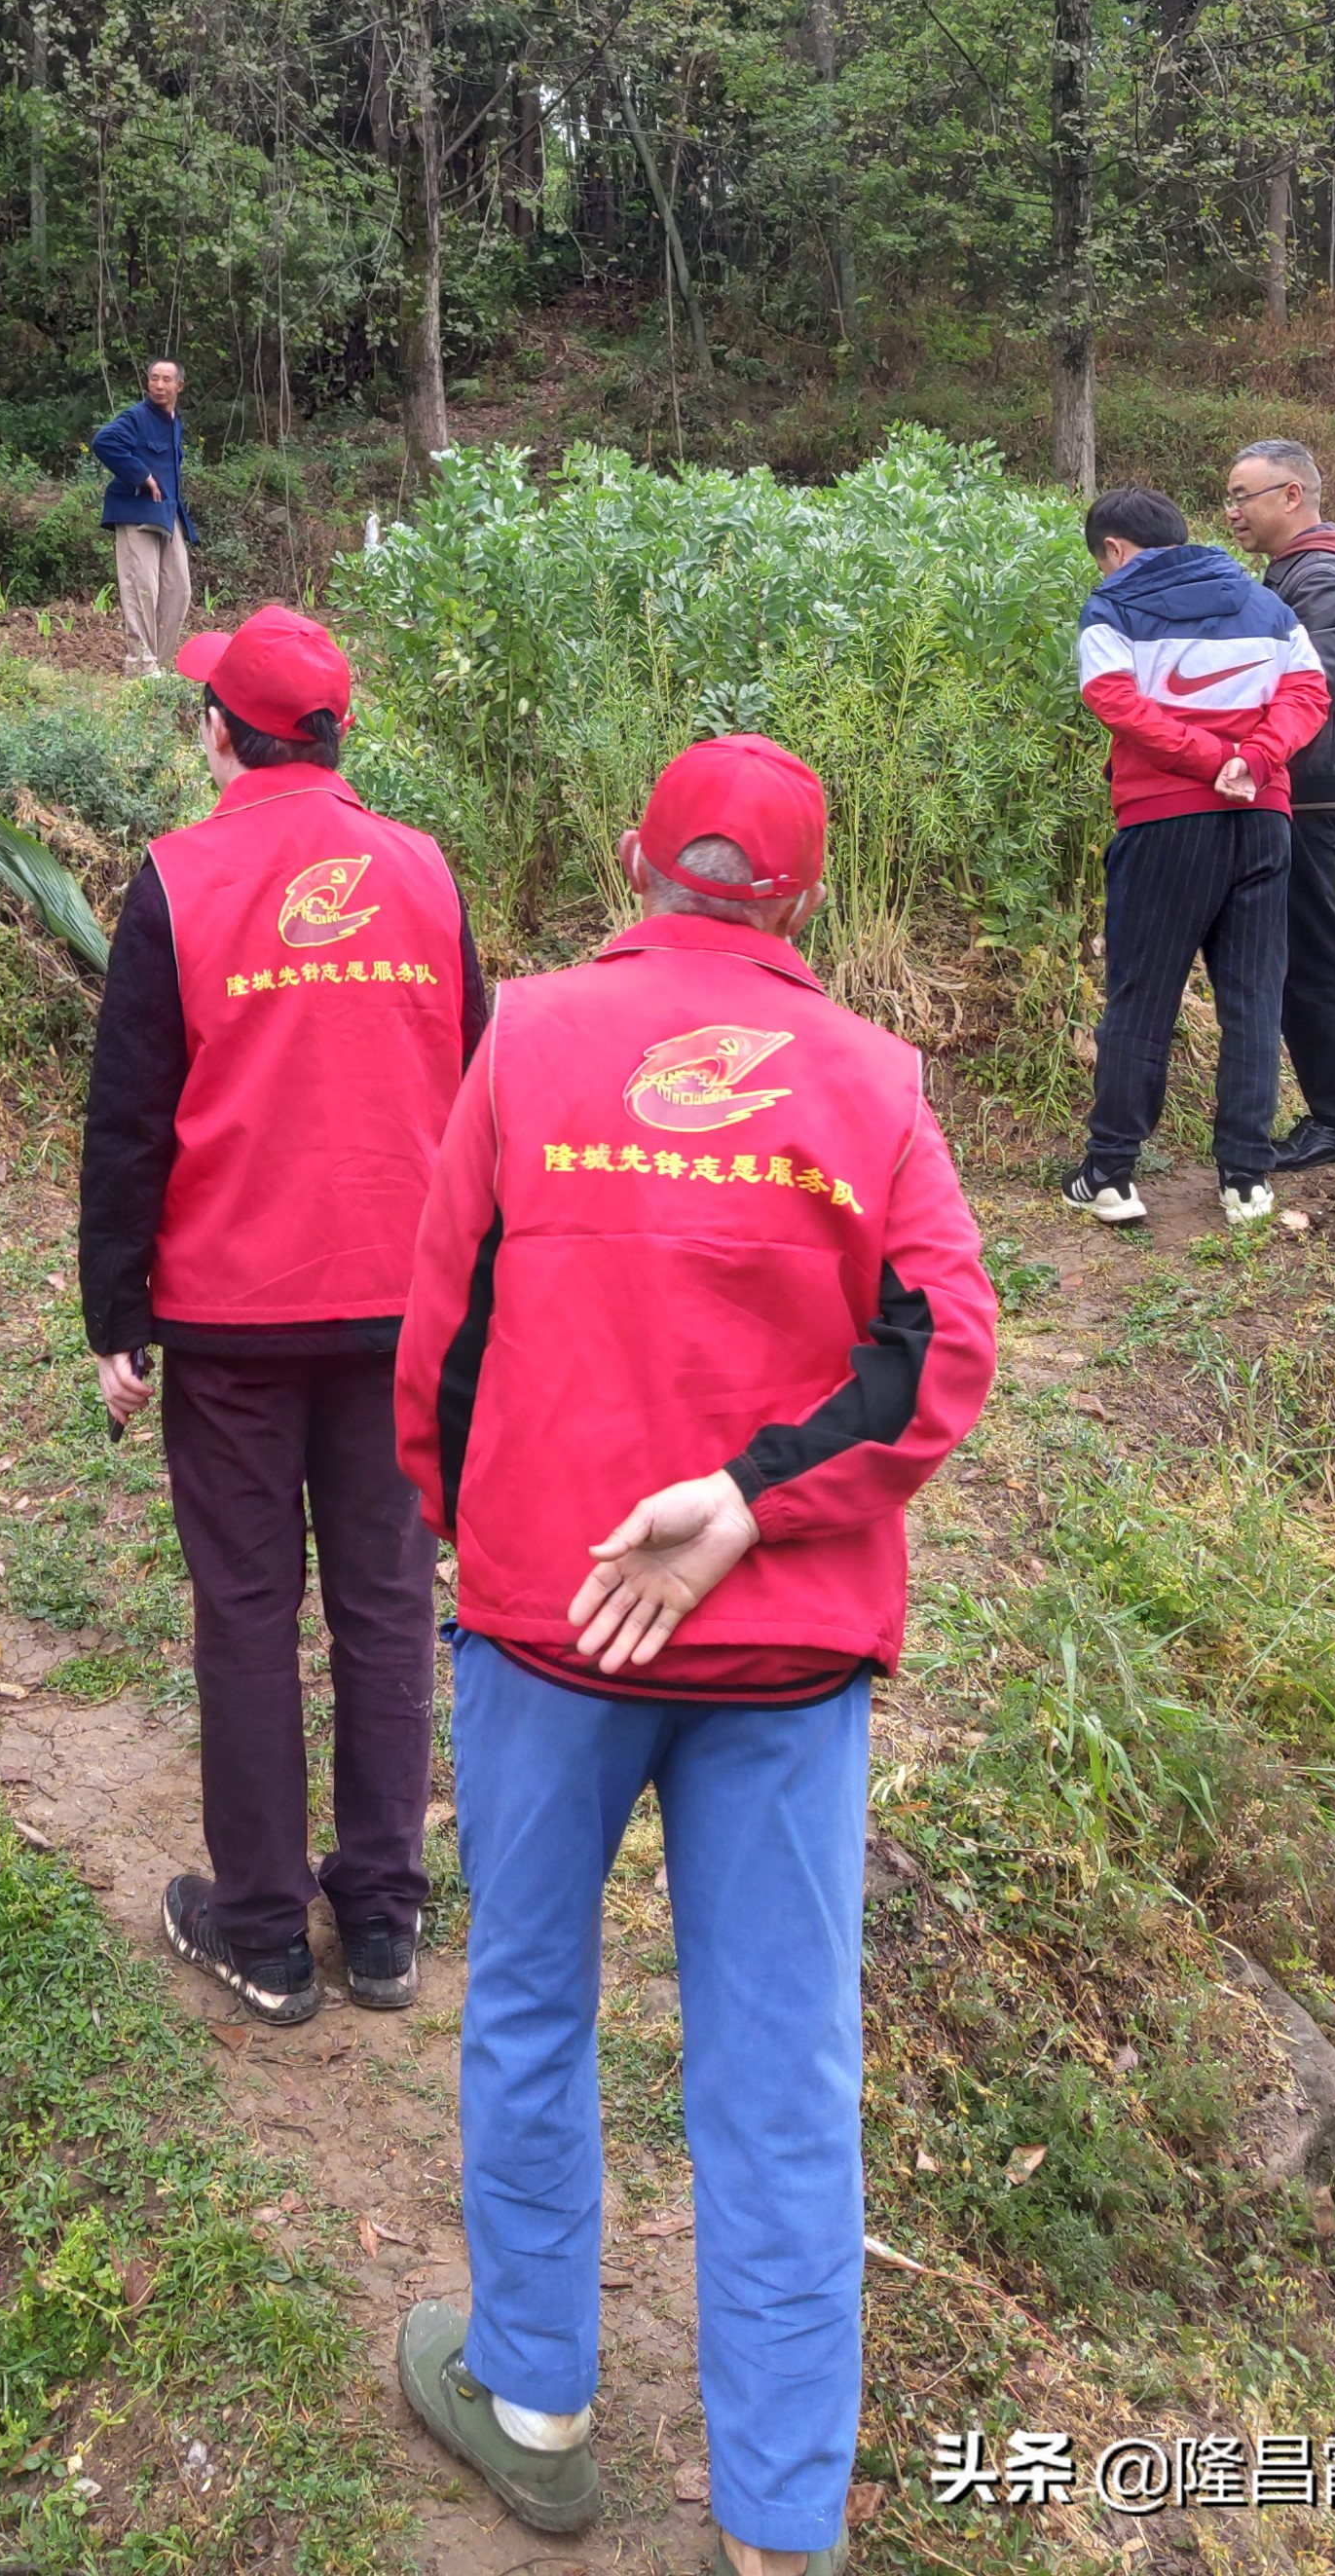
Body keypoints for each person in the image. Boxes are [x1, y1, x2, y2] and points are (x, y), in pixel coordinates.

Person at [391, 733, 995, 2552]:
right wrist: (753, 1501)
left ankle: (536, 2402)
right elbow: (941, 1347)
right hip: (787, 1660)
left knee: (525, 2010)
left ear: (636, 857)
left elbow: (441, 1344)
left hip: (550, 1631)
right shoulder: (877, 1082)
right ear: (803, 897)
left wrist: (480, 1539)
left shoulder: (530, 1037)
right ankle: (779, 2522)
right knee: (781, 2075)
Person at [79, 600, 487, 2024]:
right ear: (337, 732)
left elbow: (128, 1120)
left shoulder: (178, 881)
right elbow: (479, 1091)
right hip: (401, 1310)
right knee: (385, 1601)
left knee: (247, 1609)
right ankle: (379, 1920)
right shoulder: (426, 874)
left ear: (219, 734)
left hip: (234, 1318)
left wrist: (114, 1315)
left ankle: (261, 1929)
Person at [1064, 486, 1328, 1229]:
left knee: (1142, 997)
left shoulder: (1112, 608)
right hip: (1263, 820)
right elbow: (1309, 693)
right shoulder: (1266, 606)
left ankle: (1110, 1174)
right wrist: (1255, 757)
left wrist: (1209, 761)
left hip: (1164, 823)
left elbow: (1114, 700)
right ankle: (1247, 1179)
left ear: (1114, 549)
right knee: (1252, 998)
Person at [1222, 439, 1335, 1169]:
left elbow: (1309, 683)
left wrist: (1242, 748)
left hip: (1311, 786)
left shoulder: (1321, 576)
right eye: (1227, 498)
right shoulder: (1302, 572)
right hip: (1304, 782)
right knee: (1304, 950)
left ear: (1291, 496)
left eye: (1243, 496)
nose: (1231, 512)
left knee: (1315, 953)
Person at [92, 359, 199, 679]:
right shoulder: (136, 417)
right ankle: (141, 664)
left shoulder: (173, 421)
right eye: (154, 379)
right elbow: (103, 442)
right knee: (142, 587)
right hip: (136, 510)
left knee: (179, 589)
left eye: (166, 380)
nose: (159, 386)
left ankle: (159, 665)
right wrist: (142, 476)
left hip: (167, 513)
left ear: (179, 385)